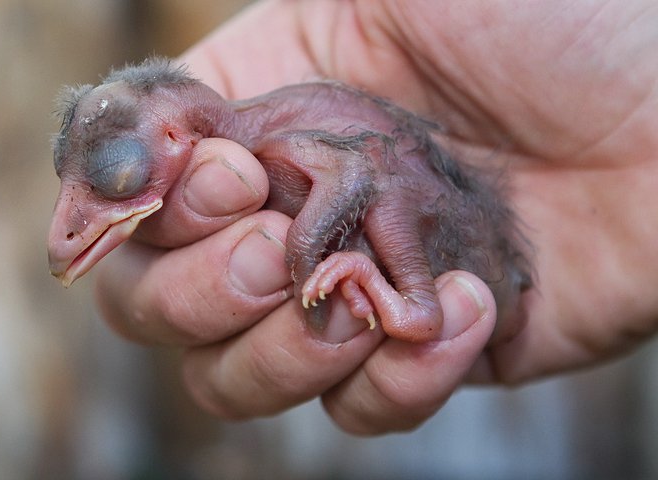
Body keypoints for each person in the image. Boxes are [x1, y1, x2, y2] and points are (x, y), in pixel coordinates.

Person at [93, 0, 658, 435]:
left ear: (175, 134)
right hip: (494, 255)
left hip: (451, 245)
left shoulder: (278, 141)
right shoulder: (264, 128)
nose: (68, 226)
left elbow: (358, 177)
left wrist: (304, 255)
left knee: (383, 174)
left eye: (118, 174)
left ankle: (415, 303)